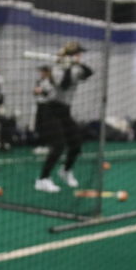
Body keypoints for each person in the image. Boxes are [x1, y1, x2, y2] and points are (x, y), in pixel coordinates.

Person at [34, 41, 93, 193]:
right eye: (78, 53)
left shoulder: (76, 68)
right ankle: (42, 179)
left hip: (65, 112)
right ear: (71, 55)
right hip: (51, 110)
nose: (80, 56)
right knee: (58, 146)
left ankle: (65, 171)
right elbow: (64, 85)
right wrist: (66, 67)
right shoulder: (56, 69)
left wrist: (74, 64)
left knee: (76, 144)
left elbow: (89, 72)